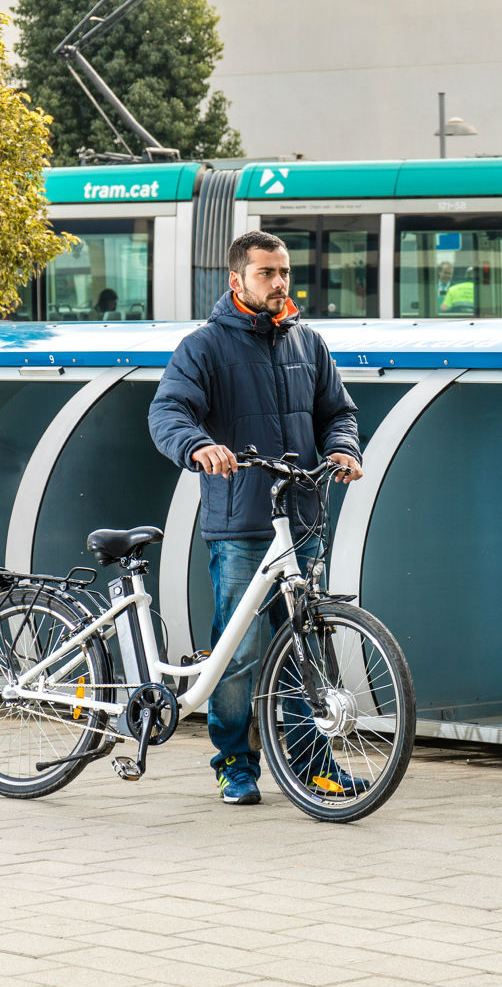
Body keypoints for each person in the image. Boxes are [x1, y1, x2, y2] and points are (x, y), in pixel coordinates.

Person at [148, 231, 363, 805]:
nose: (279, 283)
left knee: (304, 646)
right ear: (236, 279)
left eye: (284, 272)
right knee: (239, 653)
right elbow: (168, 410)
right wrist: (197, 445)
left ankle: (311, 764)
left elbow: (338, 412)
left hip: (301, 519)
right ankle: (235, 764)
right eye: (266, 272)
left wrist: (343, 449)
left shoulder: (308, 343)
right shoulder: (204, 347)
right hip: (241, 521)